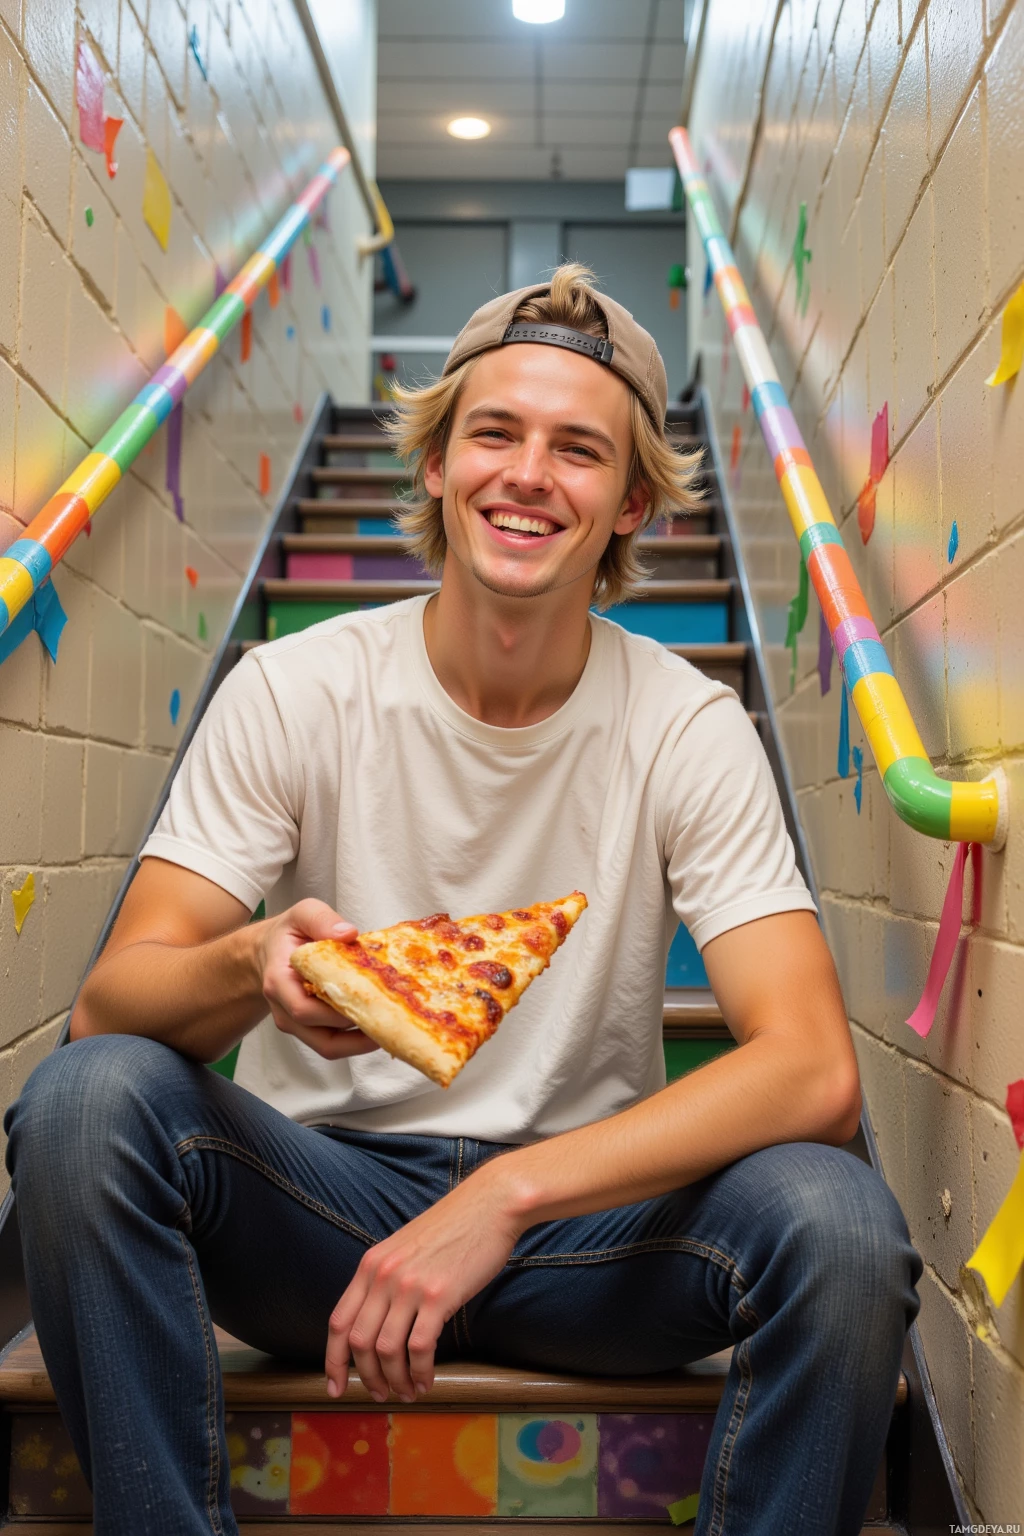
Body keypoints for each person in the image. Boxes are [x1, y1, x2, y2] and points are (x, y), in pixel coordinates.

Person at [6, 265, 920, 1536]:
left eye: (579, 450)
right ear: (437, 463)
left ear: (632, 502)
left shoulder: (690, 724)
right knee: (82, 1105)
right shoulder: (292, 689)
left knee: (841, 1221)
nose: (528, 475)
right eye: (492, 432)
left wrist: (504, 1196)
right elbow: (111, 1009)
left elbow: (813, 1069)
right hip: (322, 1206)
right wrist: (254, 959)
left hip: (587, 1230)